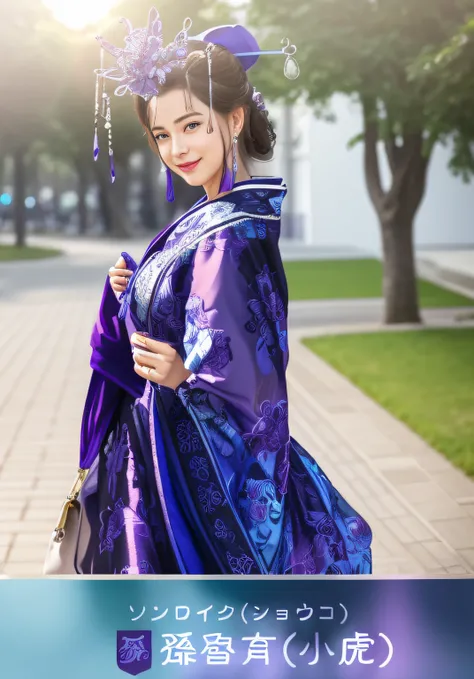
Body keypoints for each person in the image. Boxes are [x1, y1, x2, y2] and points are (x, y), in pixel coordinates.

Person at [70, 9, 372, 575]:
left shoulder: (231, 233)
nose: (176, 148)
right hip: (161, 443)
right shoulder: (217, 215)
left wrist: (184, 375)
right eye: (162, 134)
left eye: (191, 126)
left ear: (233, 120)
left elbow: (250, 381)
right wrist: (135, 286)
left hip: (186, 463)